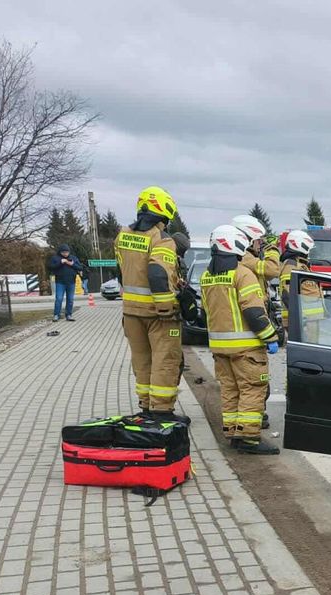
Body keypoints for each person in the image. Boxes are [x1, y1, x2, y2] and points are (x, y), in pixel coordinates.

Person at [201, 224, 281, 454]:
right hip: (246, 348)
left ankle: (233, 433)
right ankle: (248, 439)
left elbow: (206, 311)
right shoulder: (243, 274)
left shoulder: (207, 276)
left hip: (220, 348)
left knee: (230, 391)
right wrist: (270, 337)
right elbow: (254, 312)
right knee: (252, 390)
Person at [115, 187, 185, 419]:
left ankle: (145, 407)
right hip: (158, 315)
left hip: (131, 312)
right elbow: (157, 273)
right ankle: (162, 412)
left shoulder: (122, 235)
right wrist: (167, 307)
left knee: (142, 361)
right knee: (165, 361)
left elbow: (120, 271)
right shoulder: (161, 239)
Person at [278, 230, 321, 342]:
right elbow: (287, 293)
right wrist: (299, 319)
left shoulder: (300, 265)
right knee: (306, 352)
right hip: (302, 321)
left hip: (308, 320)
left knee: (311, 351)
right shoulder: (291, 266)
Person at [47, 244, 83, 321]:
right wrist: (60, 262)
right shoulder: (56, 258)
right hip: (60, 282)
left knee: (70, 299)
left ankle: (69, 315)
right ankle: (56, 315)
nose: (65, 254)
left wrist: (72, 264)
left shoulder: (73, 258)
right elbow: (50, 267)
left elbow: (80, 267)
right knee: (59, 299)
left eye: (67, 252)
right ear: (60, 252)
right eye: (63, 252)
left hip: (71, 282)